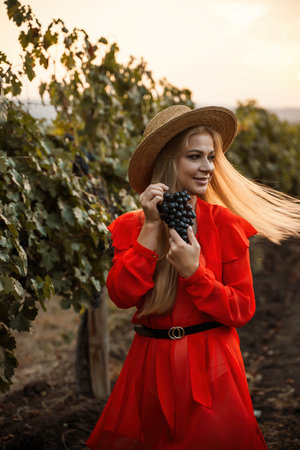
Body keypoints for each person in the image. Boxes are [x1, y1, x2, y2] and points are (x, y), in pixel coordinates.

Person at [86, 105, 300, 450]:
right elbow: (122, 295)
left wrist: (194, 274)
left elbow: (242, 310)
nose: (207, 168)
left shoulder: (225, 225)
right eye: (195, 156)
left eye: (211, 157)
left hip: (210, 368)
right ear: (169, 161)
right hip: (150, 368)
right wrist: (152, 227)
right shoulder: (132, 227)